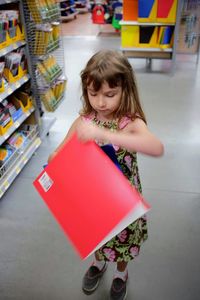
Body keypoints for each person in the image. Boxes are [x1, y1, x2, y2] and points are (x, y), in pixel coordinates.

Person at [48, 50, 164, 300]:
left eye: (110, 95)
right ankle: (98, 263)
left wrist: (106, 136)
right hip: (93, 200)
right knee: (97, 237)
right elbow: (60, 150)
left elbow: (156, 147)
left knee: (123, 243)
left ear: (125, 89)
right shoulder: (85, 119)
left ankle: (121, 273)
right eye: (93, 94)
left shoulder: (130, 122)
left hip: (123, 202)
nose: (101, 102)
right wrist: (55, 159)